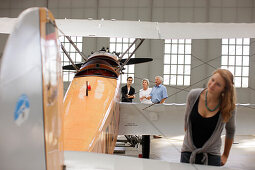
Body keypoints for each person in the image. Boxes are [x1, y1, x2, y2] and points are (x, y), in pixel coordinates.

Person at [180, 69, 236, 166]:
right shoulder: (193, 95)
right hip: (188, 153)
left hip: (211, 156)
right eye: (212, 80)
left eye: (218, 84)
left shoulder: (228, 106)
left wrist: (225, 155)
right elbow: (186, 124)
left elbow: (230, 131)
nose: (212, 85)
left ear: (224, 89)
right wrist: (189, 144)